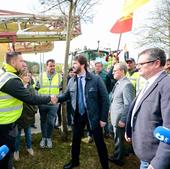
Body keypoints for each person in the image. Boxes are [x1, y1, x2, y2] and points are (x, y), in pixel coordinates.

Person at [0, 51, 56, 169]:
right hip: (5, 125)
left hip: (8, 122)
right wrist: (49, 98)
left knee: (6, 151)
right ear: (13, 62)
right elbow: (30, 98)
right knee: (4, 152)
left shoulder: (5, 74)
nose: (23, 63)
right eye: (21, 61)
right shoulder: (11, 80)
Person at [57, 55, 110, 169]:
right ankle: (75, 161)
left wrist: (103, 118)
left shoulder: (96, 79)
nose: (73, 66)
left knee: (99, 142)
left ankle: (105, 165)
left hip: (93, 116)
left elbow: (105, 99)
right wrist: (55, 98)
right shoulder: (72, 80)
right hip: (78, 115)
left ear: (82, 65)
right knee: (75, 140)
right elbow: (66, 96)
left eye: (75, 63)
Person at [125, 48, 170, 169]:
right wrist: (129, 130)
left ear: (156, 63)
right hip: (145, 155)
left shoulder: (167, 85)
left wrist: (158, 163)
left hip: (154, 160)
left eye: (141, 64)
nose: (138, 66)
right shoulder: (149, 82)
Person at [108, 62, 135, 166]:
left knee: (119, 139)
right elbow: (115, 99)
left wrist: (123, 119)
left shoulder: (127, 85)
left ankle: (118, 158)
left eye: (115, 70)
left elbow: (128, 104)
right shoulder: (119, 82)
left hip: (120, 118)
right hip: (115, 115)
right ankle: (119, 154)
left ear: (122, 71)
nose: (113, 72)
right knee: (116, 137)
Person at [37, 59, 62, 148]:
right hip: (43, 103)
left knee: (51, 122)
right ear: (46, 66)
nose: (52, 67)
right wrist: (38, 100)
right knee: (43, 121)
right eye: (50, 65)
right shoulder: (40, 76)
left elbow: (62, 90)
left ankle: (49, 138)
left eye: (53, 65)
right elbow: (36, 89)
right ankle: (43, 138)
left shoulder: (59, 76)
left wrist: (58, 99)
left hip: (53, 105)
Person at [14, 69, 38, 161]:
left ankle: (29, 147)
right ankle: (16, 150)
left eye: (28, 75)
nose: (27, 77)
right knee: (17, 134)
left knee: (28, 132)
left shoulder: (31, 88)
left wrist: (35, 110)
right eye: (25, 75)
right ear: (21, 77)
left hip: (28, 115)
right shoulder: (17, 87)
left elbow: (35, 100)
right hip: (18, 114)